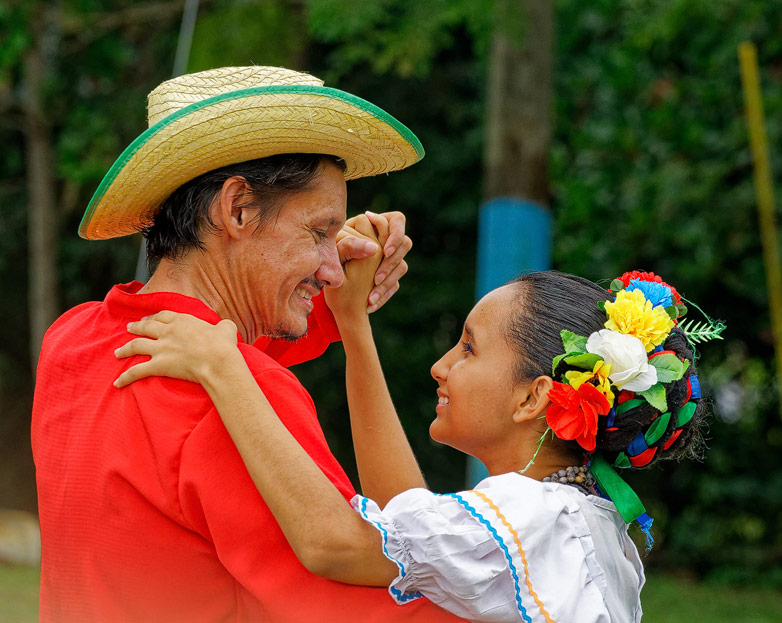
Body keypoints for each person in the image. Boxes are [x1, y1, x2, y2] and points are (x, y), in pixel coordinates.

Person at [31, 66, 464, 622]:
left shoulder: (71, 340)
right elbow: (360, 600)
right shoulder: (241, 394)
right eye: (318, 232)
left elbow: (221, 347)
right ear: (237, 209)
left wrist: (333, 301)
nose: (334, 269)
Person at [115, 248, 721, 622]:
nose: (442, 365)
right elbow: (405, 515)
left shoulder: (537, 516)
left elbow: (335, 546)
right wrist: (353, 322)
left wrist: (226, 370)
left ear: (533, 397)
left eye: (469, 348)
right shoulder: (564, 515)